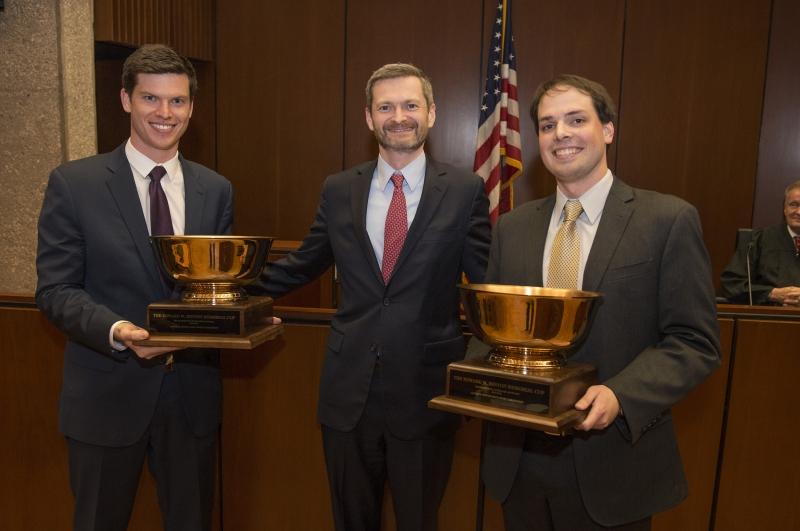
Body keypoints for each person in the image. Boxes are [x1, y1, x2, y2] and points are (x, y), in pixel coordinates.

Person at [473, 74, 720, 530]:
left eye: (575, 120)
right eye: (547, 125)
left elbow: (693, 341)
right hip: (519, 464)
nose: (560, 134)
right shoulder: (513, 227)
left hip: (613, 464)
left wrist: (620, 396)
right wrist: (469, 381)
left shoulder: (667, 220)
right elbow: (494, 334)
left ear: (607, 130)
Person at [251, 63, 491, 531]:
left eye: (409, 105)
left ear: (432, 113)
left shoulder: (465, 191)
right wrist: (227, 290)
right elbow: (305, 263)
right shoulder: (339, 189)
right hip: (347, 394)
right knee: (351, 520)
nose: (397, 116)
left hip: (426, 393)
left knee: (419, 520)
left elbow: (484, 287)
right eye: (385, 106)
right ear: (368, 118)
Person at [36, 44, 233, 531]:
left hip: (190, 400)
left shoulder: (216, 189)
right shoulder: (74, 184)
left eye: (178, 102)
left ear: (191, 106)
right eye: (151, 99)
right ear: (125, 99)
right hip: (106, 394)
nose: (165, 114)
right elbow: (56, 290)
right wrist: (119, 329)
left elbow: (216, 287)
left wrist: (244, 312)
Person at [720, 180, 800, 305]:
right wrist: (771, 294)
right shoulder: (758, 240)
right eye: (794, 205)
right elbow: (731, 284)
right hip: (766, 318)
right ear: (784, 209)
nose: (798, 212)